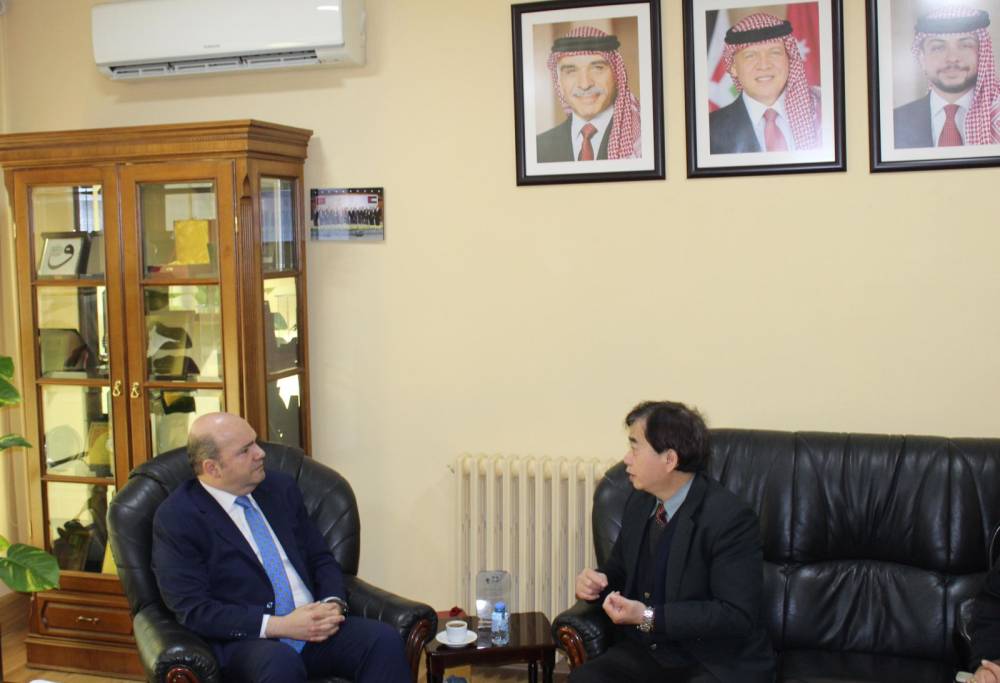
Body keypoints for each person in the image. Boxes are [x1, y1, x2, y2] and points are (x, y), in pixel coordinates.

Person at [151, 412, 410, 683]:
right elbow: (194, 610)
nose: (260, 453)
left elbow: (320, 558)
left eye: (256, 442)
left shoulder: (279, 488)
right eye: (245, 450)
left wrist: (333, 603)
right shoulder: (178, 518)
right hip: (250, 640)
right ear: (212, 468)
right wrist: (280, 626)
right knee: (280, 665)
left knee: (383, 640)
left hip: (315, 628)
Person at [570, 401, 774, 683]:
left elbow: (735, 615)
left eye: (635, 448)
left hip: (713, 658)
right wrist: (596, 582)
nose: (627, 459)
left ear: (669, 460)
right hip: (650, 651)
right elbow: (619, 568)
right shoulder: (640, 502)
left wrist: (647, 616)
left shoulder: (729, 519)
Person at [709, 12, 821, 154]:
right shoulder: (709, 130)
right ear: (733, 68)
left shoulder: (821, 112)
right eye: (750, 55)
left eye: (774, 52)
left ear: (789, 59)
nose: (764, 65)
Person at [894, 5, 1000, 149]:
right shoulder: (894, 123)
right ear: (922, 60)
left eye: (965, 45)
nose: (952, 58)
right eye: (938, 47)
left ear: (982, 54)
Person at [536, 25, 641, 162]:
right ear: (559, 83)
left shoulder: (641, 141)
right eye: (571, 71)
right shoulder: (538, 148)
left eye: (597, 68)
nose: (585, 84)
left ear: (617, 75)